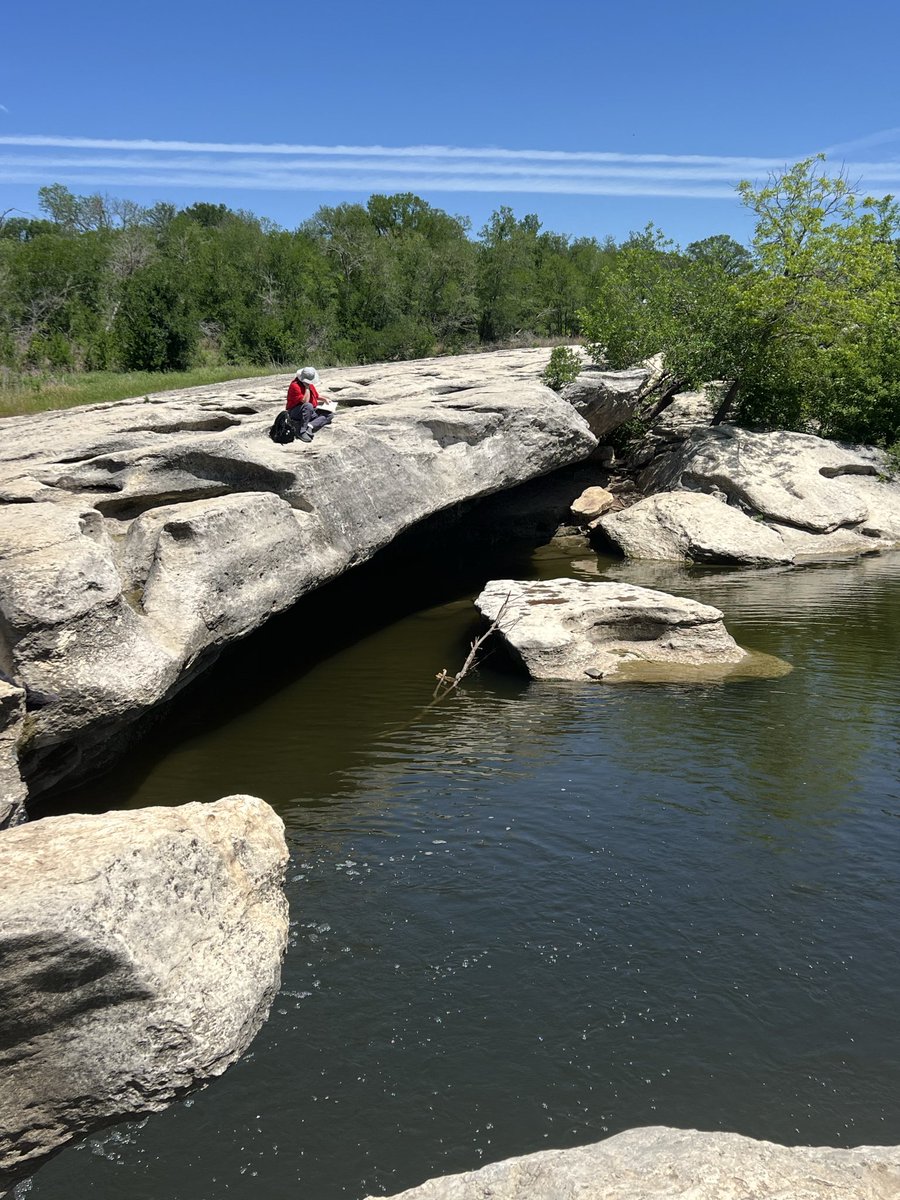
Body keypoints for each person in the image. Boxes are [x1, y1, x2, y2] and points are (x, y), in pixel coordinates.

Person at [285, 367, 334, 443]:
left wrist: (325, 399)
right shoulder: (295, 386)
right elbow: (305, 401)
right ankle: (302, 431)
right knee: (308, 406)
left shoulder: (309, 384)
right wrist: (307, 388)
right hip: (295, 412)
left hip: (309, 411)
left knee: (329, 414)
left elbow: (316, 396)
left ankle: (310, 426)